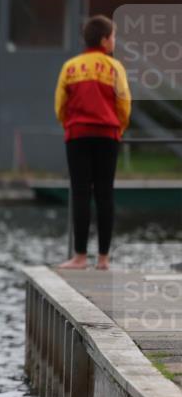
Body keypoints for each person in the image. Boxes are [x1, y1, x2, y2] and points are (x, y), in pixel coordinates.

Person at [55, 14, 131, 271]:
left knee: (80, 193)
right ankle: (104, 259)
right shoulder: (115, 67)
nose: (114, 41)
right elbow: (124, 103)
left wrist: (69, 123)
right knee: (104, 194)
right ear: (104, 40)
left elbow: (60, 105)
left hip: (77, 135)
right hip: (107, 136)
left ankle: (79, 257)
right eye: (113, 37)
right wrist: (118, 126)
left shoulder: (70, 67)